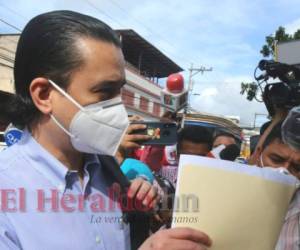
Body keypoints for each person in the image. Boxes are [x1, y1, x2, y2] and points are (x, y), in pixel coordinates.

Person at [0, 10, 211, 250]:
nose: (118, 108)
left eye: (119, 92)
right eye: (104, 92)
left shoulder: (108, 171)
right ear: (44, 95)